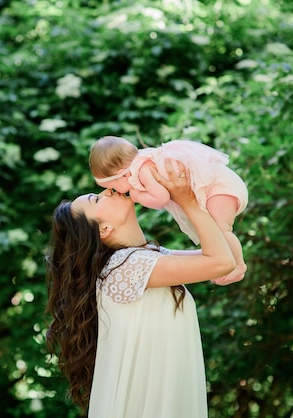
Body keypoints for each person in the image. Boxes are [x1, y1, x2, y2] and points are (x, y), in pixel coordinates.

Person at [45, 159, 236, 417]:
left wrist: (200, 201)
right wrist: (187, 200)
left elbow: (231, 261)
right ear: (104, 229)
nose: (108, 190)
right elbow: (221, 263)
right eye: (97, 199)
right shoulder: (125, 266)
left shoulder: (144, 259)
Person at [89, 135, 248, 285]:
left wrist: (139, 196)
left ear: (120, 175)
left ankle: (239, 264)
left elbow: (161, 198)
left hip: (219, 188)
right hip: (214, 189)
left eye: (111, 187)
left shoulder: (143, 170)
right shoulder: (143, 163)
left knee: (220, 229)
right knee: (216, 230)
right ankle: (233, 261)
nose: (111, 192)